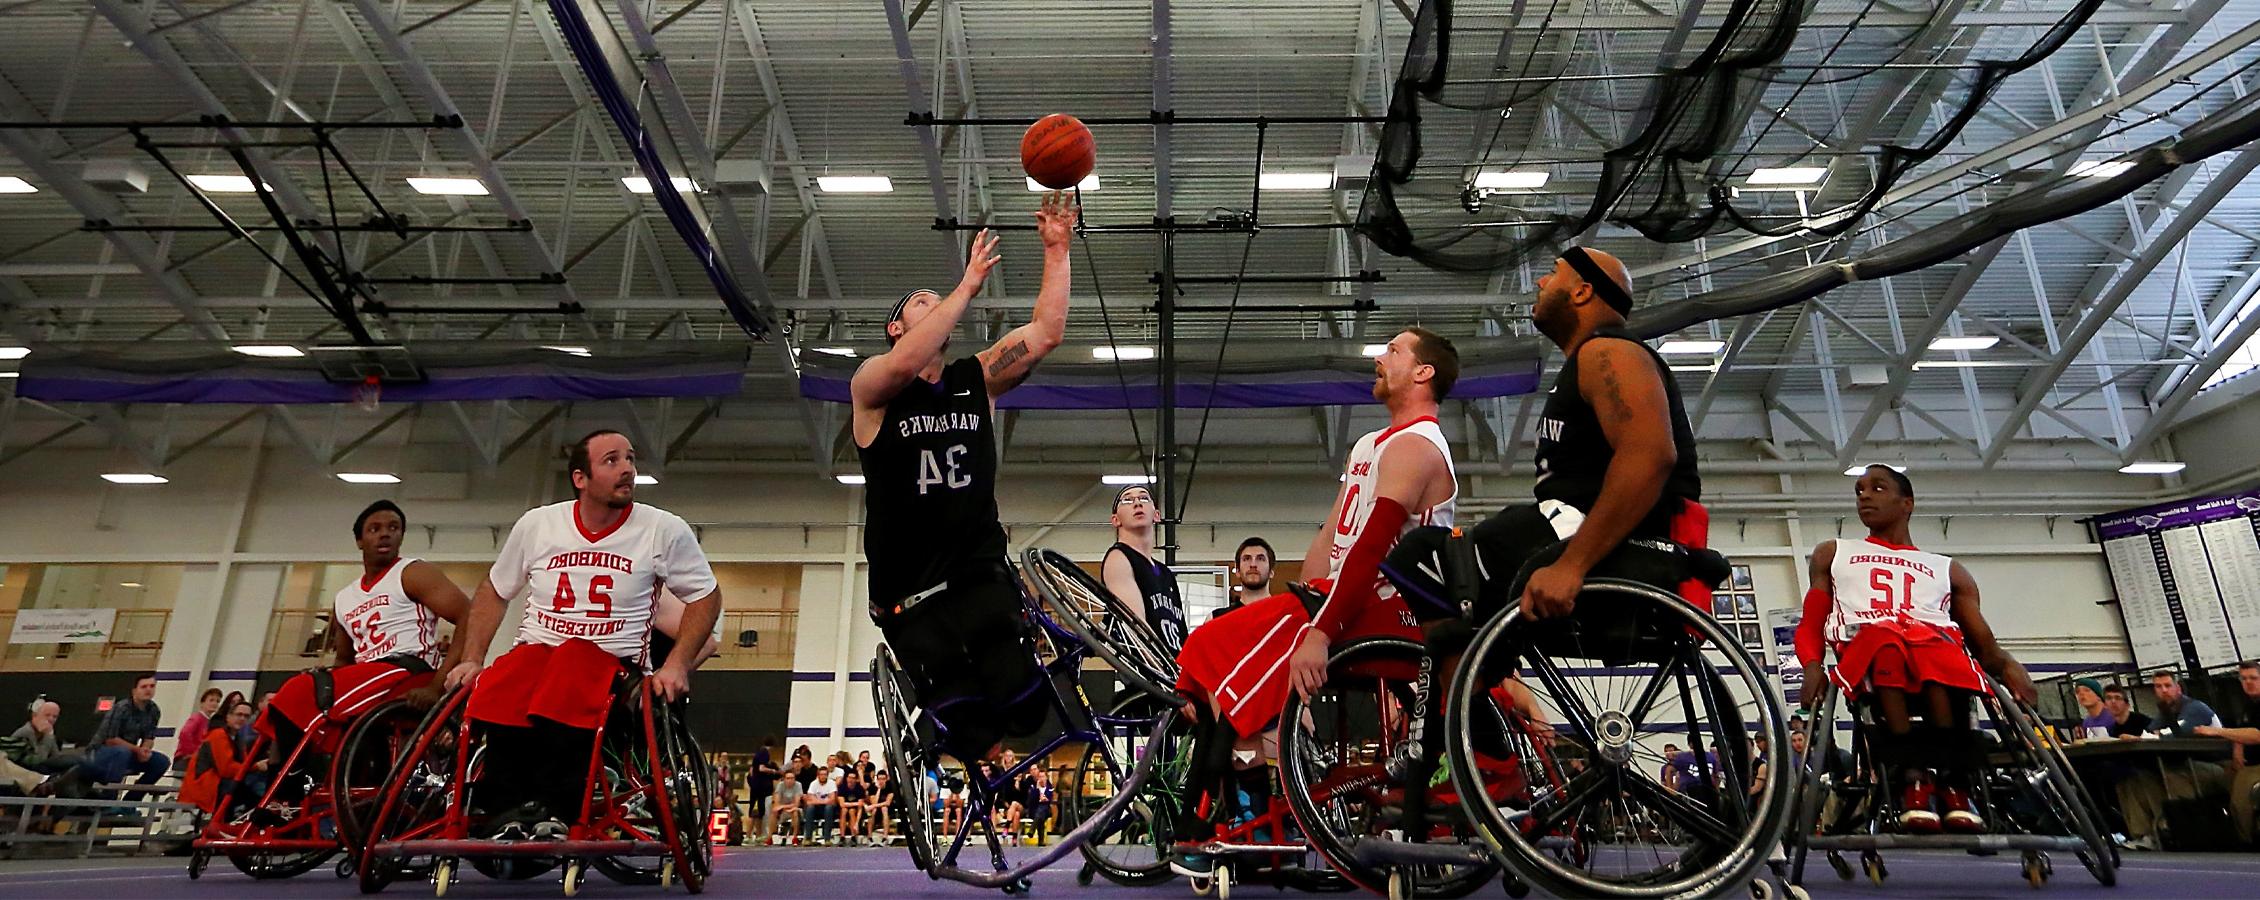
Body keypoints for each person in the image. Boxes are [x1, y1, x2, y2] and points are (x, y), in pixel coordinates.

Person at [1169, 325, 1461, 875]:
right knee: (1210, 641)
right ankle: (1215, 816)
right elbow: (1332, 540)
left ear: (1423, 372)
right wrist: (1308, 599)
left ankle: (1201, 826)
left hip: (1392, 608)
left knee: (1248, 674)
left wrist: (1319, 628)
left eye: (1393, 350)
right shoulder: (1369, 444)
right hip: (1345, 597)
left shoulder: (1422, 444)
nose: (1379, 357)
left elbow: (1374, 548)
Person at [855, 193, 1075, 767]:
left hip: (976, 575)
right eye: (923, 302)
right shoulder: (875, 387)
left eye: (940, 298)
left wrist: (1057, 249)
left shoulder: (975, 377)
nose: (938, 304)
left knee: (1028, 710)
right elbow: (907, 363)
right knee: (970, 733)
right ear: (895, 326)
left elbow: (1046, 332)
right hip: (911, 594)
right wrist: (968, 286)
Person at [438, 429, 724, 837]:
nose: (627, 468)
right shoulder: (538, 525)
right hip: (539, 654)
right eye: (612, 460)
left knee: (572, 661)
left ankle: (558, 804)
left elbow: (705, 596)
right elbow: (493, 591)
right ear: (580, 478)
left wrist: (676, 665)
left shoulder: (662, 529)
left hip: (613, 664)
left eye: (630, 458)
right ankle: (504, 806)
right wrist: (472, 658)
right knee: (507, 674)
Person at [1793, 465, 2036, 835]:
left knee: (1940, 650)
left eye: (1877, 488)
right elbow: (1811, 621)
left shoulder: (1948, 569)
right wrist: (1811, 665)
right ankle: (1913, 776)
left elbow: (1984, 646)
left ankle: (1954, 782)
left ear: (1907, 503)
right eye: (1859, 490)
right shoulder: (1834, 552)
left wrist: (2009, 665)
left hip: (1933, 649)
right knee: (1890, 642)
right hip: (1869, 646)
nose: (1864, 496)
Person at [257, 500, 471, 772]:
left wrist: (437, 686)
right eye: (375, 529)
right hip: (367, 675)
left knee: (297, 690)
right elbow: (345, 659)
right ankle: (291, 781)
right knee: (292, 701)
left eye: (393, 528)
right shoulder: (344, 598)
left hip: (408, 668)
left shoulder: (412, 573)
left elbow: (468, 616)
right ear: (359, 540)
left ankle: (287, 789)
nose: (385, 533)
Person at [2115, 670, 2228, 849]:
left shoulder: (2195, 708)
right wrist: (2144, 737)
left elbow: (2178, 733)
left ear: (2178, 688)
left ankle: (2183, 829)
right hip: (2185, 765)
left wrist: (2151, 736)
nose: (2163, 690)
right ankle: (2147, 835)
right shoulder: (2165, 712)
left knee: (2174, 775)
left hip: (2217, 767)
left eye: (2168, 686)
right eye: (2158, 687)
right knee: (2135, 779)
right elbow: (2149, 733)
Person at [1101, 484, 1187, 651]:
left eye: (1144, 498)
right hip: (1148, 670)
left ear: (1156, 515)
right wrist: (1162, 672)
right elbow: (1136, 628)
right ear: (1115, 520)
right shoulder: (1119, 557)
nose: (1137, 503)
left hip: (1174, 668)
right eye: (1127, 500)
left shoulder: (1165, 573)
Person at [2193, 661, 2260, 845]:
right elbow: (2242, 731)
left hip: (2256, 767)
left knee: (2241, 800)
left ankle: (2248, 843)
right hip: (2247, 764)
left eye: (2253, 678)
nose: (2248, 682)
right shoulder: (2249, 705)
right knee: (2213, 783)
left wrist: (2217, 731)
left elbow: (2256, 735)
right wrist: (2237, 752)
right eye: (2244, 679)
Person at [78, 674, 168, 801]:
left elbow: (149, 736)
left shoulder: (154, 710)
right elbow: (111, 740)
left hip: (127, 752)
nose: (148, 689)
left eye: (152, 686)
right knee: (122, 752)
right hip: (99, 752)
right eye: (144, 687)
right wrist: (137, 750)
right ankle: (108, 799)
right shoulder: (121, 708)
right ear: (134, 691)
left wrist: (145, 750)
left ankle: (131, 800)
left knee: (161, 761)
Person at [181, 699, 265, 815]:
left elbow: (243, 764)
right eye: (239, 715)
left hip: (220, 784)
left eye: (246, 716)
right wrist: (255, 766)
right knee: (249, 793)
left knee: (256, 792)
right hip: (205, 785)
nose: (242, 719)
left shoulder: (239, 738)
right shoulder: (219, 735)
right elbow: (226, 769)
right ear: (228, 717)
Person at [1219, 537, 1276, 620]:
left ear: (1271, 572)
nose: (1253, 564)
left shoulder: (1287, 617)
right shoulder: (1216, 618)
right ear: (1237, 571)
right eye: (1247, 559)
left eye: (1260, 559)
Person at [172, 688, 222, 773]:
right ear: (202, 703)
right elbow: (184, 733)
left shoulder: (209, 721)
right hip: (185, 760)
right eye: (211, 700)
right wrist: (192, 753)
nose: (214, 703)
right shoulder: (197, 718)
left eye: (217, 701)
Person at [748, 737, 781, 843]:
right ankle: (748, 835)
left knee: (758, 812)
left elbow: (752, 770)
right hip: (759, 787)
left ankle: (758, 834)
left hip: (756, 786)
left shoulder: (758, 753)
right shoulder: (764, 753)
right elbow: (761, 768)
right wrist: (773, 771)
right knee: (755, 811)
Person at [802, 766, 840, 845]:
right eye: (821, 774)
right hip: (816, 809)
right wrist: (824, 801)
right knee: (809, 808)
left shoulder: (831, 783)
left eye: (825, 774)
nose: (823, 776)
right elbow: (809, 800)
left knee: (828, 808)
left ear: (827, 775)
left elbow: (832, 799)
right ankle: (808, 838)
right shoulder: (813, 784)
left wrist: (817, 801)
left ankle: (827, 839)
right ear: (818, 775)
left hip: (829, 809)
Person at [770, 770, 804, 845]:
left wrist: (783, 806)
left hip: (794, 809)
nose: (790, 780)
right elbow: (776, 802)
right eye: (788, 778)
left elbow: (796, 803)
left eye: (792, 778)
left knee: (795, 812)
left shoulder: (798, 785)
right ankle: (770, 837)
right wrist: (783, 807)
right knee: (774, 812)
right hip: (783, 810)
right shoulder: (780, 785)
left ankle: (794, 837)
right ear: (784, 779)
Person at [866, 770, 897, 846]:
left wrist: (873, 806)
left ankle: (885, 837)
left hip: (888, 809)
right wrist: (879, 789)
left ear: (886, 779)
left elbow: (887, 802)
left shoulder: (890, 786)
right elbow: (874, 802)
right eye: (879, 779)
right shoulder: (873, 787)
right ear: (877, 779)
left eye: (883, 779)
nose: (881, 781)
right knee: (874, 810)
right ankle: (869, 838)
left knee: (884, 808)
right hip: (876, 810)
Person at [838, 771, 867, 843]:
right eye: (849, 777)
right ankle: (842, 837)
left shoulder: (860, 788)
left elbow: (860, 807)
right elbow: (842, 804)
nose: (851, 780)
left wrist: (857, 823)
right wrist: (856, 803)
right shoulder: (842, 787)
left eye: (853, 778)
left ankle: (853, 836)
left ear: (856, 779)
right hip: (845, 808)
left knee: (852, 811)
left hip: (856, 810)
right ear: (847, 778)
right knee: (844, 810)